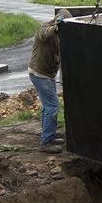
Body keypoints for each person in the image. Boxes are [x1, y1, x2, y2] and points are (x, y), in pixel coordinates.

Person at [28, 8, 72, 154]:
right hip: (40, 73)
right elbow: (45, 34)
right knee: (52, 106)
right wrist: (57, 26)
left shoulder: (60, 34)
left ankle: (49, 135)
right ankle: (46, 141)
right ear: (57, 19)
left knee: (47, 107)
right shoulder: (46, 28)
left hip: (47, 74)